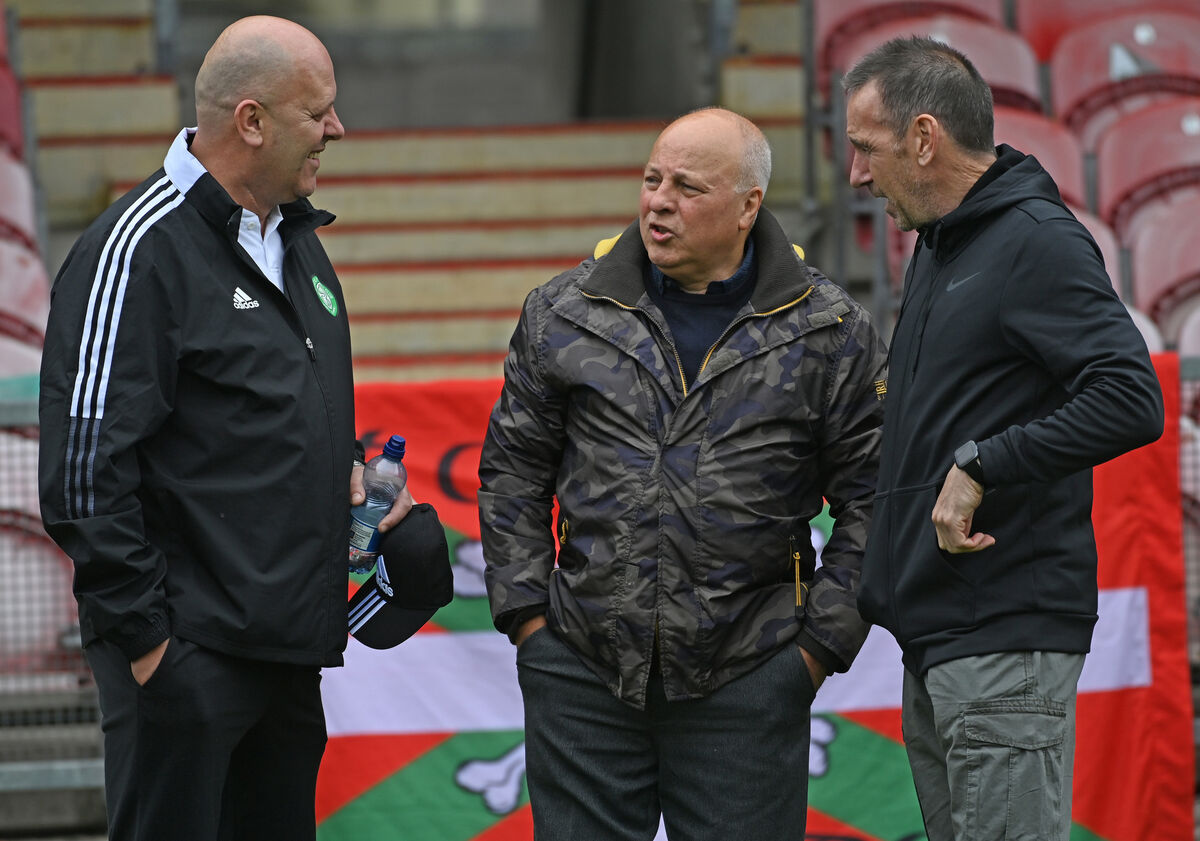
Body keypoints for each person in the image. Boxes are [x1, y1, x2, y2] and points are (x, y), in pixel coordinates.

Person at [38, 16, 411, 841]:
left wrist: (346, 467)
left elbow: (260, 413)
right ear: (251, 121)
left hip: (285, 655)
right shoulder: (136, 248)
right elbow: (84, 471)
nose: (337, 129)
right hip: (186, 657)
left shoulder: (293, 236)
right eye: (318, 111)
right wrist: (152, 646)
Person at [477, 107, 887, 840]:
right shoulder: (564, 313)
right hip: (582, 676)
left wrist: (813, 653)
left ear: (748, 206)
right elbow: (512, 471)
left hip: (750, 680)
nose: (659, 202)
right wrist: (530, 624)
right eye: (651, 180)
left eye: (687, 188)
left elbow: (876, 497)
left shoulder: (830, 330)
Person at [844, 37, 1165, 841]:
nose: (855, 174)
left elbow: (1133, 397)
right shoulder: (939, 246)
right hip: (944, 637)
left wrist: (984, 463)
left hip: (1002, 636)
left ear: (924, 138)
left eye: (865, 148)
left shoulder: (1035, 239)